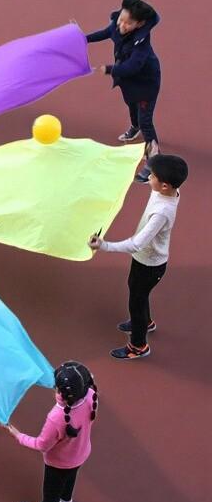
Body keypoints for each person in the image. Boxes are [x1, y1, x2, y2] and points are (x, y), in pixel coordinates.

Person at [89, 154, 187, 360]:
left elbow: (136, 244)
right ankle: (145, 322)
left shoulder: (162, 212)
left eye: (152, 176)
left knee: (136, 301)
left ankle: (138, 345)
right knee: (137, 292)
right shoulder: (169, 190)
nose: (148, 177)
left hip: (150, 264)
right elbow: (158, 176)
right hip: (145, 260)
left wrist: (104, 245)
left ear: (165, 186)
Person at [5, 362, 98, 502]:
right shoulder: (91, 395)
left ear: (62, 394)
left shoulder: (56, 418)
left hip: (59, 463)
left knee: (51, 491)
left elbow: (42, 445)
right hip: (81, 453)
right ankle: (66, 498)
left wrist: (18, 436)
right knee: (70, 475)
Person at [86, 0, 161, 183]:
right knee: (130, 104)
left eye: (128, 23)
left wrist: (109, 69)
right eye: (121, 19)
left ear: (140, 24)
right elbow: (104, 33)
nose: (122, 25)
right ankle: (135, 127)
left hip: (145, 84)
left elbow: (132, 67)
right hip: (128, 81)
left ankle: (153, 160)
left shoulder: (142, 44)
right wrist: (83, 39)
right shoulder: (117, 25)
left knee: (146, 121)